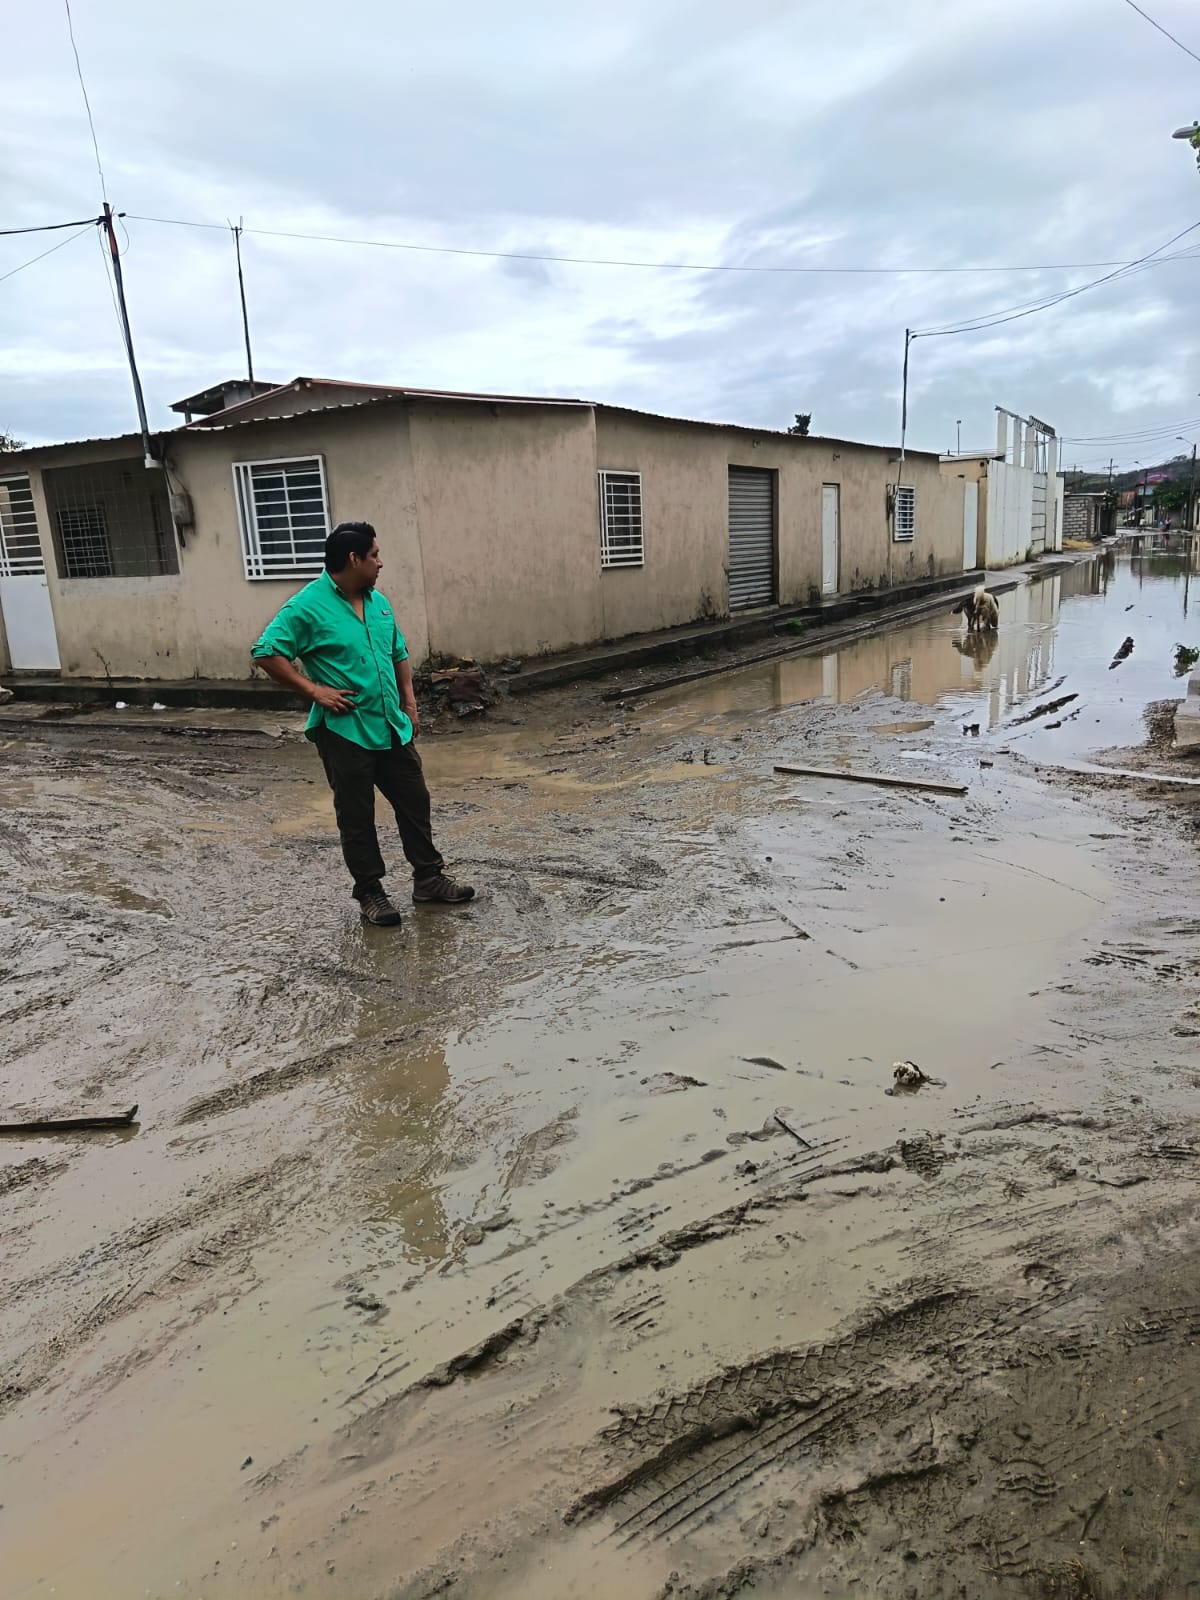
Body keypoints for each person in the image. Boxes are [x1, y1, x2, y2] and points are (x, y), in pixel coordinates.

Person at [252, 522, 473, 927]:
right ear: (354, 559)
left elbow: (398, 652)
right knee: (356, 815)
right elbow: (266, 652)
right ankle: (370, 892)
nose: (380, 562)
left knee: (415, 800)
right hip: (345, 731)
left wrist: (409, 703)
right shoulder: (306, 606)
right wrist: (315, 691)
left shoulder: (379, 602)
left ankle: (428, 879)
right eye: (374, 555)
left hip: (389, 725)